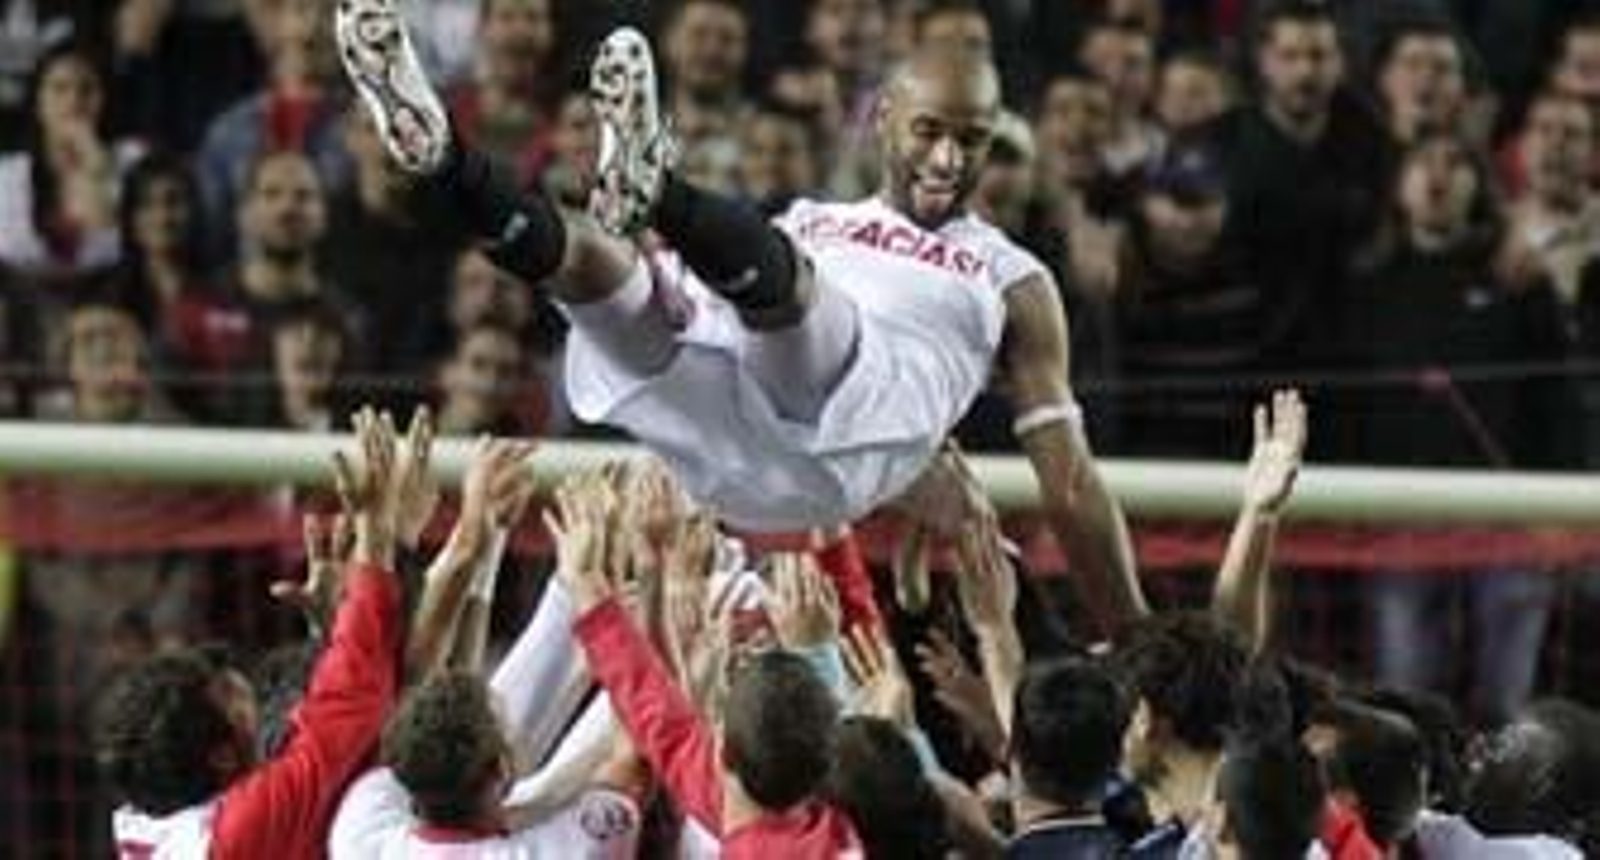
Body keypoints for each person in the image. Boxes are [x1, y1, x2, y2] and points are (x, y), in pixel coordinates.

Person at [335, 3, 1145, 630]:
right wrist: (667, 289)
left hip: (839, 441)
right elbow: (710, 287)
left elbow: (1070, 481)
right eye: (930, 131)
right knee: (599, 269)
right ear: (884, 118)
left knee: (796, 302)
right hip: (720, 445)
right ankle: (443, 157)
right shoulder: (814, 217)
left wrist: (1133, 632)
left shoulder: (1012, 274)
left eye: (973, 141)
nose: (949, 160)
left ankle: (659, 186)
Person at [95, 407, 418, 858]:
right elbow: (350, 704)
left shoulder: (148, 820)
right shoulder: (237, 833)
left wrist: (327, 632)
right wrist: (375, 529)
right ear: (221, 756)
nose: (251, 695)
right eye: (235, 699)